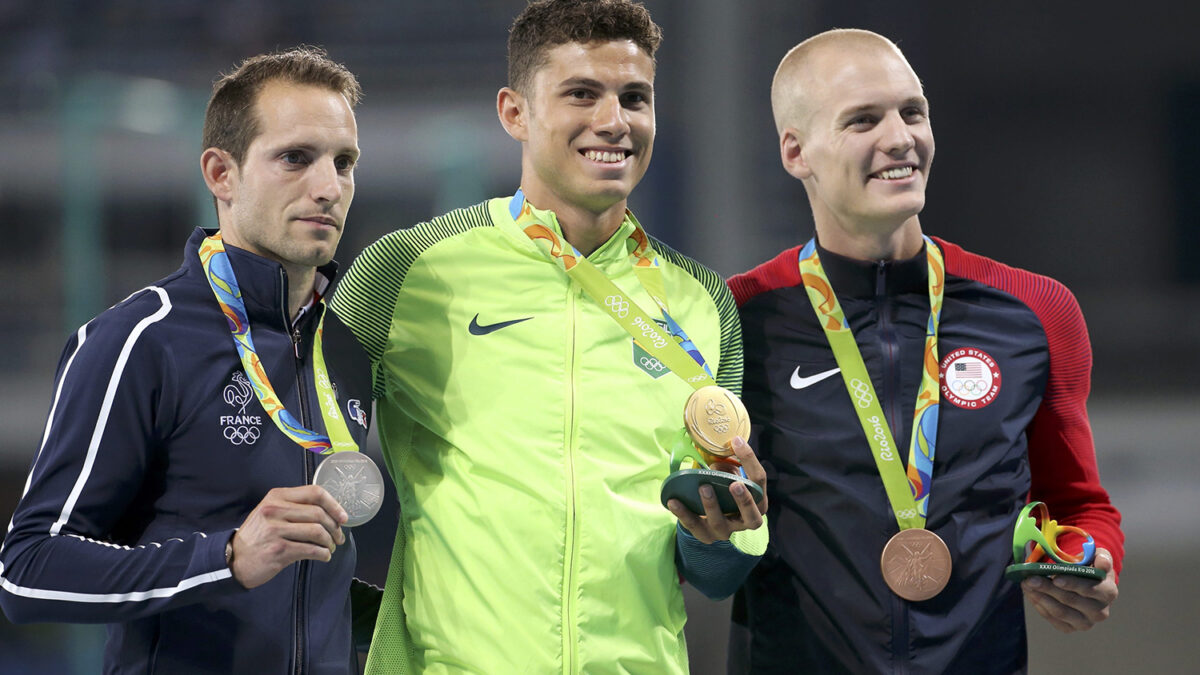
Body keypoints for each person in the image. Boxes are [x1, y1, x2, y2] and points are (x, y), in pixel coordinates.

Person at [330, 1, 768, 672]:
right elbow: (300, 464)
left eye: (634, 97)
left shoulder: (702, 301)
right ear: (514, 112)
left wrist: (720, 535)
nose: (614, 120)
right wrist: (362, 620)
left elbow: (710, 570)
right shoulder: (406, 271)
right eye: (581, 94)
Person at [726, 28, 1124, 674]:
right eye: (863, 120)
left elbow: (1078, 502)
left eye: (913, 112)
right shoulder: (739, 318)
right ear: (796, 151)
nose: (901, 137)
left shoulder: (1033, 312)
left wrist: (1088, 560)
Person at [0, 47, 382, 674]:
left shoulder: (346, 340)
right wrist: (226, 557)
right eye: (295, 158)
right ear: (221, 174)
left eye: (344, 163)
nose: (328, 187)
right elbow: (28, 571)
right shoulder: (143, 339)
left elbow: (308, 587)